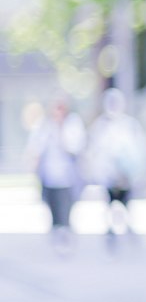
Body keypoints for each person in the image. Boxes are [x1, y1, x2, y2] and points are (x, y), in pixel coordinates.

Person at [88, 87, 146, 248]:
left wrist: (138, 172)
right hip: (108, 175)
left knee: (126, 203)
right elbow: (96, 151)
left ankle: (127, 230)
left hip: (126, 174)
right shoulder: (101, 126)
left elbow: (139, 149)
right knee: (110, 204)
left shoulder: (129, 124)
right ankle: (111, 234)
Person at [26, 97, 86, 251]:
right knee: (52, 206)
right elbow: (36, 147)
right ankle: (57, 233)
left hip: (67, 176)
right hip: (48, 176)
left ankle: (65, 235)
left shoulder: (72, 124)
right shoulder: (45, 125)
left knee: (65, 206)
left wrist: (61, 131)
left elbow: (75, 146)